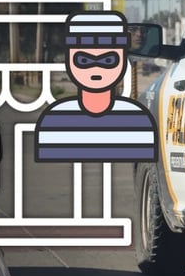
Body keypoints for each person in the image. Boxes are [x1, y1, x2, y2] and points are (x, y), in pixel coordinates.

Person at [34, 10, 155, 163]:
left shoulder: (138, 122)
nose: (96, 69)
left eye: (108, 60)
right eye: (84, 60)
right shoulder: (54, 122)